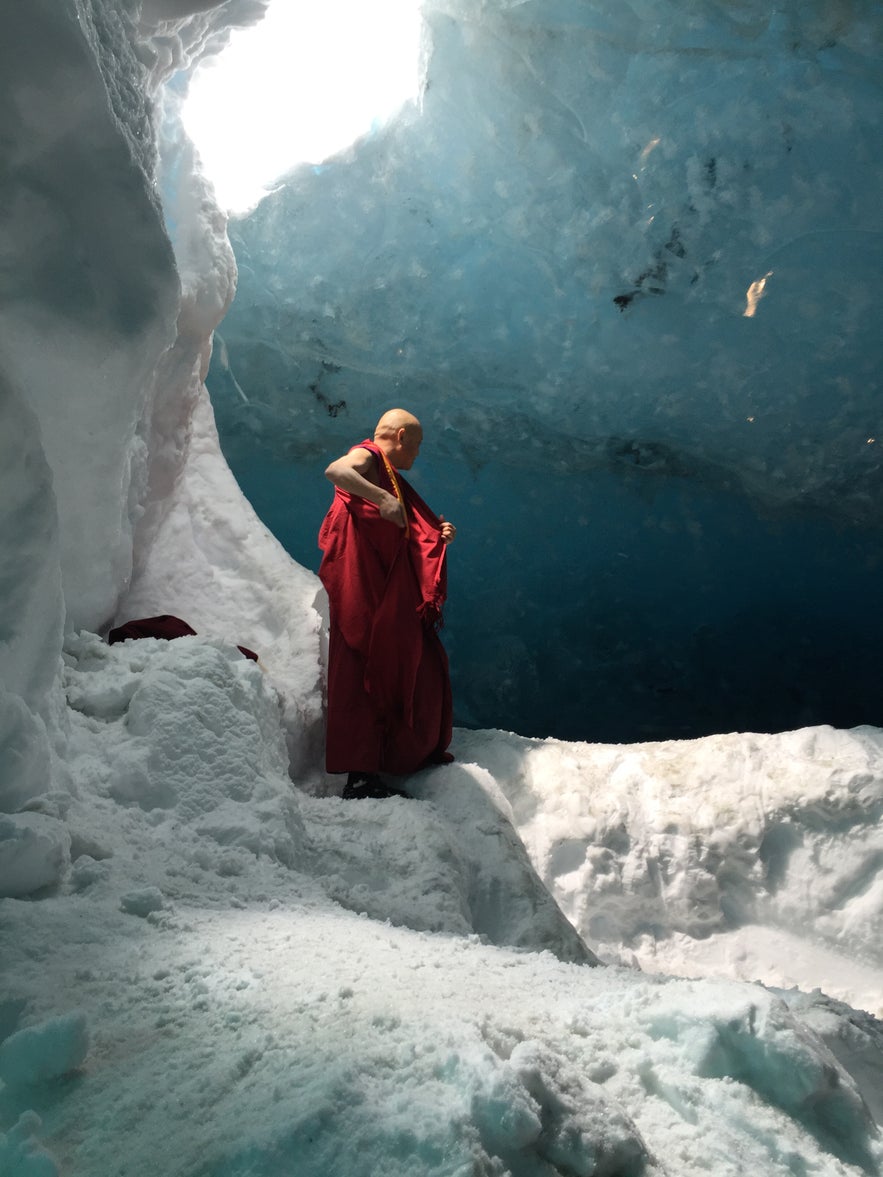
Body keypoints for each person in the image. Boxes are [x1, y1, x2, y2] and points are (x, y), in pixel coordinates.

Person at [318, 409, 456, 799]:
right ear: (399, 435)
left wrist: (434, 533)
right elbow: (335, 470)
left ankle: (401, 754)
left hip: (382, 590)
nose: (416, 454)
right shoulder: (367, 457)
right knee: (366, 665)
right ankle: (360, 777)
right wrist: (381, 498)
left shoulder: (390, 474)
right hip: (362, 592)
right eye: (416, 445)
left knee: (417, 660)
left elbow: (399, 530)